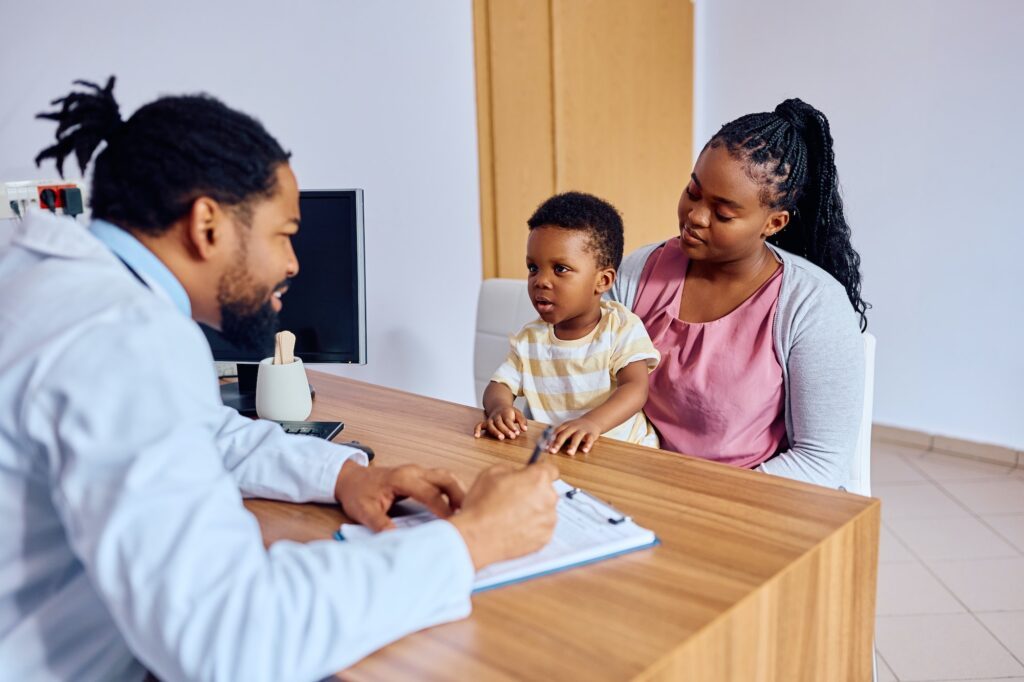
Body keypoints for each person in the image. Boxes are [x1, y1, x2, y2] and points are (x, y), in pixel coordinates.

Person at [0, 77, 559, 682]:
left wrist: (345, 473)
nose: (293, 263)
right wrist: (472, 542)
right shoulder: (123, 335)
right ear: (207, 224)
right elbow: (230, 637)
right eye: (284, 234)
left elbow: (205, 432)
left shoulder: (44, 282)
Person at [609, 98, 867, 489]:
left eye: (723, 213)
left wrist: (696, 495)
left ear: (773, 222)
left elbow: (820, 460)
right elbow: (591, 386)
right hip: (642, 486)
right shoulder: (639, 274)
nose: (695, 216)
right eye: (692, 193)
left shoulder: (812, 306)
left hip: (751, 500)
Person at [474, 192, 660, 456]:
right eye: (533, 268)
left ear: (603, 281)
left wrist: (591, 423)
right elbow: (500, 385)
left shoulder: (620, 327)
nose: (541, 281)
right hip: (564, 454)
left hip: (627, 454)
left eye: (560, 269)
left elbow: (635, 388)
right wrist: (499, 408)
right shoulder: (530, 339)